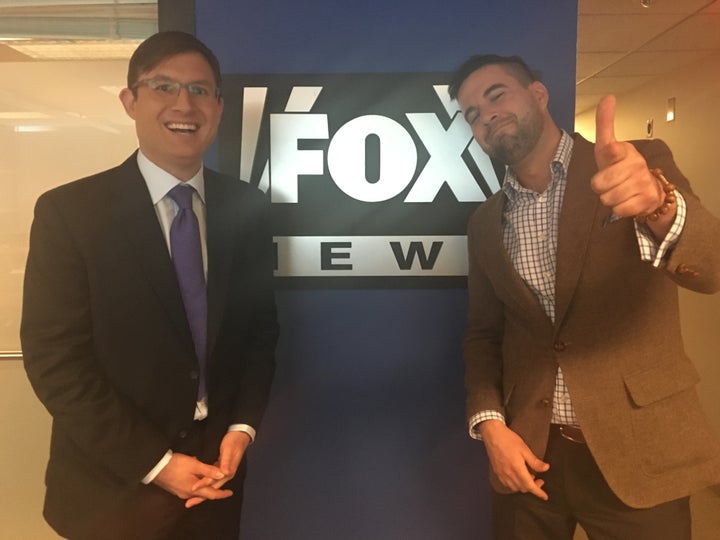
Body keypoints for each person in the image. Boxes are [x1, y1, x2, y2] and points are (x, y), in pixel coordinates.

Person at [20, 31, 278, 540]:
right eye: (163, 86)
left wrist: (241, 427)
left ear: (220, 107)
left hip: (215, 486)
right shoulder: (70, 212)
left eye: (201, 90)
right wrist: (157, 464)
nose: (185, 104)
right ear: (130, 101)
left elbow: (259, 333)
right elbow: (55, 359)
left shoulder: (246, 208)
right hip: (111, 495)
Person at [449, 54, 720, 539]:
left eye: (496, 95)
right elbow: (483, 335)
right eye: (471, 113)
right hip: (530, 455)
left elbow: (711, 268)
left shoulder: (638, 165)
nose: (485, 115)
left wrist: (660, 204)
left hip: (640, 450)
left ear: (537, 94)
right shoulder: (485, 223)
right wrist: (490, 426)